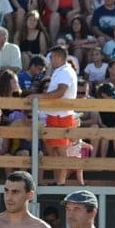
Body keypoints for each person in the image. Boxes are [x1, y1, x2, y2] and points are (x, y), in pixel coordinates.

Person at [39, 45, 77, 186]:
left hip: (62, 115)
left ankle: (61, 182)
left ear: (59, 57)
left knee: (61, 150)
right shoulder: (60, 71)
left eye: (52, 57)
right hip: (55, 114)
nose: (50, 60)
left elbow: (61, 92)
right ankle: (58, 180)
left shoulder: (65, 71)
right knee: (54, 150)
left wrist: (40, 97)